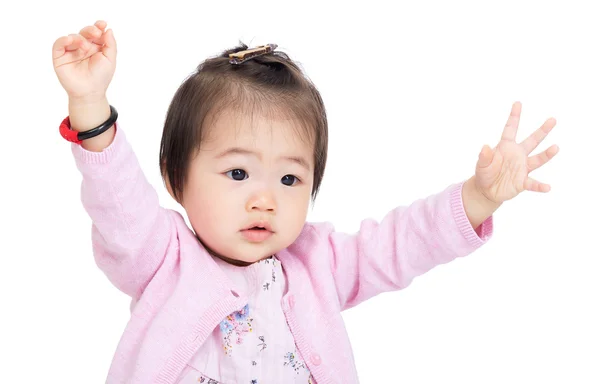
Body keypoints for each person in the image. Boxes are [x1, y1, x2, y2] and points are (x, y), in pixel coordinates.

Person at [51, 20, 559, 384]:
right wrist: (92, 110)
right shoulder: (163, 257)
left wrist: (478, 197)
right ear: (174, 177)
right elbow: (117, 202)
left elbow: (403, 243)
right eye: (238, 172)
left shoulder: (318, 263)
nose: (265, 199)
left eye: (291, 179)